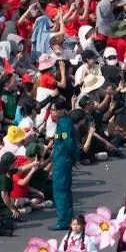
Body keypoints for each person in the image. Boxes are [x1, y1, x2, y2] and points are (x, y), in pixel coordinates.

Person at [48, 97, 78, 231]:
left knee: (60, 190)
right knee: (65, 190)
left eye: (54, 110)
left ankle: (63, 220)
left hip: (62, 161)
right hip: (60, 159)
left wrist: (74, 158)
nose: (52, 112)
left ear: (61, 110)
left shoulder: (64, 124)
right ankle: (69, 217)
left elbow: (68, 143)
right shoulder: (62, 122)